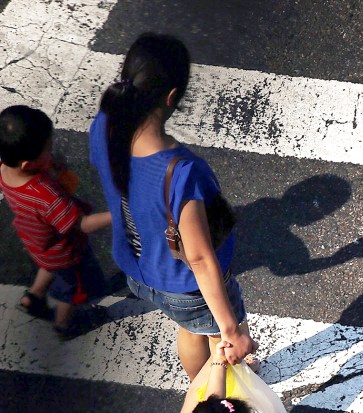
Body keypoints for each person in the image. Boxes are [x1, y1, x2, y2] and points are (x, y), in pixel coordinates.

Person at [88, 32, 257, 379]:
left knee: (192, 327)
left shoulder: (104, 125)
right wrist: (230, 330)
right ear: (171, 97)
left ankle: (198, 384)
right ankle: (215, 397)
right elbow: (198, 256)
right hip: (185, 284)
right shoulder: (181, 172)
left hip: (140, 271)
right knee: (213, 337)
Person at [0, 105, 111, 338]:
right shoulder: (47, 196)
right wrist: (118, 215)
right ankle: (64, 325)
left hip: (37, 240)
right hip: (66, 251)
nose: (52, 152)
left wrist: (55, 168)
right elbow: (82, 224)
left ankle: (33, 297)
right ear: (28, 165)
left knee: (49, 265)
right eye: (48, 149)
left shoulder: (5, 170)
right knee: (72, 291)